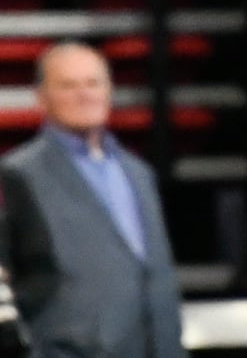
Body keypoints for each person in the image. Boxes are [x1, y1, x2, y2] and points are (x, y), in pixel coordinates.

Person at [0, 42, 185, 358]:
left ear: (109, 90)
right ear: (41, 97)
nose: (84, 95)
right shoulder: (19, 173)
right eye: (69, 85)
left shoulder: (138, 172)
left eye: (93, 83)